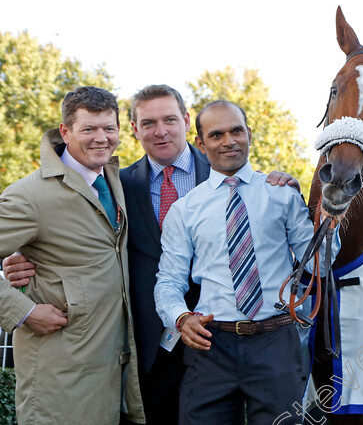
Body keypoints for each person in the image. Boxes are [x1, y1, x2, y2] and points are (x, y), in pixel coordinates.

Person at [2, 84, 299, 424]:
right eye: (148, 123)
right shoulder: (117, 183)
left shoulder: (227, 172)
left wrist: (282, 180)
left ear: (187, 122)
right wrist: (19, 263)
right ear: (134, 129)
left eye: (170, 120)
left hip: (229, 340)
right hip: (146, 348)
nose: (161, 132)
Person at [154, 100, 330, 424]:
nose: (229, 141)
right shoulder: (185, 209)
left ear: (249, 133)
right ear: (201, 144)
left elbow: (320, 267)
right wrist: (180, 318)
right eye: (216, 134)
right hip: (210, 346)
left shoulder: (283, 194)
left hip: (276, 341)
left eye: (236, 131)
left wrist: (326, 216)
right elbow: (168, 280)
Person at [0, 86, 145, 423]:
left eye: (109, 128)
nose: (101, 139)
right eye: (88, 129)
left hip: (113, 373)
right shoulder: (30, 195)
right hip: (59, 379)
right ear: (65, 132)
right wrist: (23, 311)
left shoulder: (116, 181)